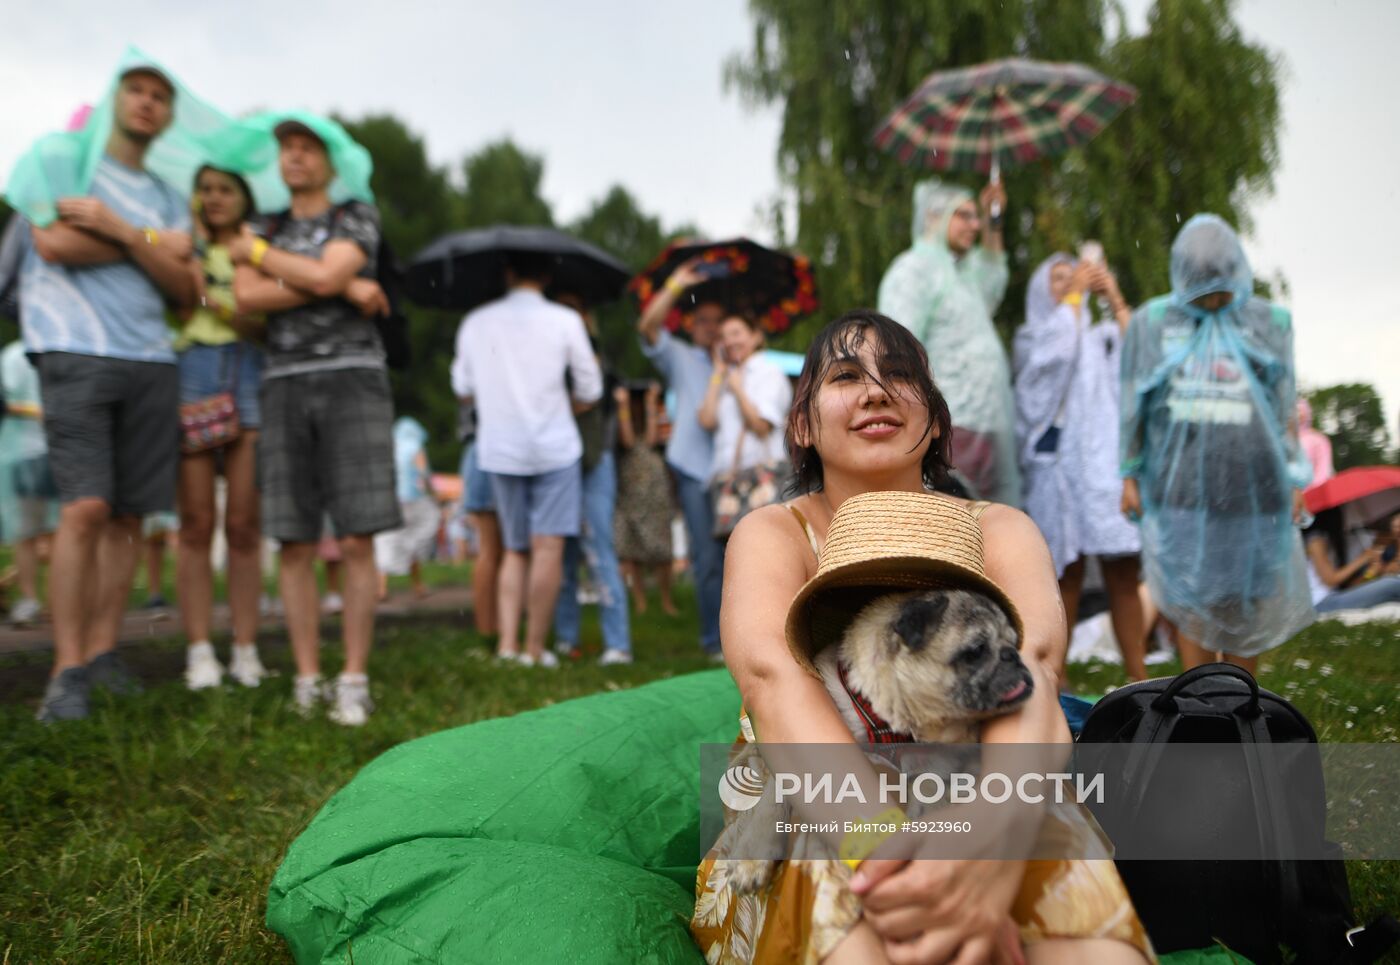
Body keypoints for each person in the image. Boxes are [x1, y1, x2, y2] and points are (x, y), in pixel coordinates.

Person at [691, 309, 1151, 964]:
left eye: (899, 375)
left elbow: (1036, 675)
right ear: (802, 423)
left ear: (935, 418)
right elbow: (774, 680)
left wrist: (991, 846)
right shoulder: (774, 533)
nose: (876, 391)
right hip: (812, 792)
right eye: (846, 376)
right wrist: (898, 862)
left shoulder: (1000, 529)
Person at [18, 64, 197, 722]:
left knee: (129, 516)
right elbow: (53, 241)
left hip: (150, 357)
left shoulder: (167, 195)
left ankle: (102, 652)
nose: (148, 104)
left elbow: (188, 287)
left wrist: (119, 229)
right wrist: (153, 245)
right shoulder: (67, 161)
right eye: (138, 92)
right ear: (113, 101)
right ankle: (65, 669)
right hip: (73, 346)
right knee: (86, 506)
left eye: (160, 97)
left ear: (169, 115)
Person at [231, 114, 398, 726]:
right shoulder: (265, 223)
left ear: (331, 162)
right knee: (293, 537)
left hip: (354, 376)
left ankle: (352, 676)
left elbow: (311, 274)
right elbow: (246, 299)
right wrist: (342, 286)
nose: (295, 157)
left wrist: (264, 259)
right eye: (287, 149)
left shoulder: (353, 213)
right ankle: (307, 676)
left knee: (358, 534)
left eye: (307, 148)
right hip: (282, 381)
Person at [1120, 214, 1314, 674]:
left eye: (1221, 289)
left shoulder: (1269, 322)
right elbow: (1134, 405)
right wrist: (1129, 472)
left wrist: (1293, 478)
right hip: (1182, 490)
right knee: (1191, 597)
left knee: (1245, 598)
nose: (1213, 300)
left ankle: (1241, 704)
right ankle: (1201, 703)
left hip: (1255, 487)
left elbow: (1284, 405)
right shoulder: (1153, 324)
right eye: (1202, 291)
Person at [451, 251, 602, 668]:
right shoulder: (565, 321)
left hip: (500, 447)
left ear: (508, 272)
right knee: (548, 548)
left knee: (514, 549)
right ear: (548, 275)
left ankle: (506, 647)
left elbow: (462, 387)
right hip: (555, 445)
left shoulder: (477, 322)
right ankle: (536, 648)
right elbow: (590, 388)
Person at [1014, 252, 1147, 679]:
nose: (1070, 284)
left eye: (1074, 278)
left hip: (1105, 468)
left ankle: (1138, 674)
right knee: (1063, 576)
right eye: (1057, 278)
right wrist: (1072, 301)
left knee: (1123, 573)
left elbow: (1142, 361)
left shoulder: (1100, 335)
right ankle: (1057, 676)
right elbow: (1046, 373)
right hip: (1059, 470)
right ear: (1040, 289)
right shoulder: (1034, 336)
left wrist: (1115, 298)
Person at [175, 165, 268, 689]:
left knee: (243, 525)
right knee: (194, 523)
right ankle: (199, 650)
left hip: (248, 370)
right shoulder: (177, 243)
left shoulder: (258, 249)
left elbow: (266, 323)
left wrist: (214, 301)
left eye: (225, 189)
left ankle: (246, 649)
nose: (213, 198)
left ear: (244, 197)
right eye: (204, 189)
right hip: (189, 369)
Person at [878, 177, 1021, 506]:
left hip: (990, 424)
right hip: (950, 424)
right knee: (954, 523)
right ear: (933, 216)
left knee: (996, 526)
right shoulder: (913, 271)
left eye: (976, 216)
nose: (975, 225)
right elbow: (896, 348)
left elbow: (993, 279)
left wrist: (994, 216)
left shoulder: (963, 276)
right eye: (964, 215)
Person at [638, 259, 726, 657]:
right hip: (693, 469)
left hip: (733, 472)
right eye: (704, 320)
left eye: (718, 321)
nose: (712, 327)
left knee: (741, 559)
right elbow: (647, 328)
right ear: (690, 325)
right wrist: (676, 285)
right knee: (706, 558)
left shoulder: (736, 361)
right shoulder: (680, 356)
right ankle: (713, 641)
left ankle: (743, 637)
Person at [550, 292, 631, 666]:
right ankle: (567, 637)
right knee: (561, 554)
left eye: (576, 310)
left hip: (594, 462)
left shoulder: (596, 358)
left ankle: (618, 643)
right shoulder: (544, 358)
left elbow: (596, 400)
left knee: (599, 552)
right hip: (556, 464)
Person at [697, 311, 792, 497]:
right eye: (723, 336)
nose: (729, 341)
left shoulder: (769, 373)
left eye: (736, 333)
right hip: (727, 479)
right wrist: (717, 373)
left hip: (761, 477)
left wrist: (739, 391)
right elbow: (706, 421)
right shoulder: (725, 378)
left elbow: (761, 426)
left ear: (756, 336)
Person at [0, 340, 60, 626]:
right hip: (27, 450)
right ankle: (33, 600)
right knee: (31, 532)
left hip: (51, 451)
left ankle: (48, 601)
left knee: (50, 534)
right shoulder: (14, 354)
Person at [613, 382, 678, 616]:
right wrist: (623, 406)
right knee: (631, 549)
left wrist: (651, 402)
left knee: (662, 549)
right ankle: (640, 600)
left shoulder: (657, 413)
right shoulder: (620, 418)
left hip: (654, 489)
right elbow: (629, 440)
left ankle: (666, 598)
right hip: (629, 489)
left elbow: (651, 439)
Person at [374, 416, 439, 601]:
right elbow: (424, 473)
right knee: (413, 540)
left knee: (388, 540)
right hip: (413, 501)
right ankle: (418, 586)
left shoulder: (392, 447)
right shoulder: (415, 448)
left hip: (393, 499)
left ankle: (381, 588)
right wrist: (433, 493)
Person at [458, 401, 501, 638]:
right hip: (491, 449)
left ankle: (494, 631)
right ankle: (491, 631)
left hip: (480, 451)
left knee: (495, 552)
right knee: (494, 551)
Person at [1304, 508, 1400, 613]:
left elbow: (1351, 585)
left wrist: (1371, 572)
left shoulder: (1340, 539)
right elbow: (1331, 580)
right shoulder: (1315, 540)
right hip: (1322, 603)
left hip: (1338, 595)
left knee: (1392, 586)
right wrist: (1363, 558)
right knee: (1393, 584)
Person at [1297, 399, 1335, 487]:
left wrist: (1311, 490)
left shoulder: (1318, 439)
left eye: (1299, 410)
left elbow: (1323, 471)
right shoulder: (1281, 441)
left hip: (1312, 493)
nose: (1296, 414)